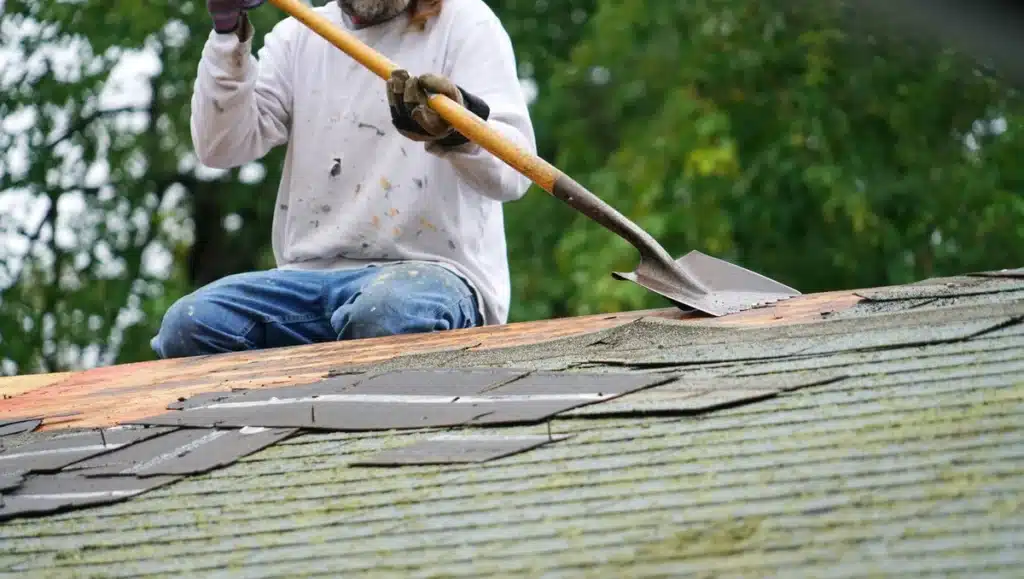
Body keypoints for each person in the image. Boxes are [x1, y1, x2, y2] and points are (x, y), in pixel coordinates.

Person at [150, 0, 535, 358]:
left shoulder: (464, 21)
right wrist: (227, 33)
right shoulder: (299, 37)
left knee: (385, 314)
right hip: (304, 283)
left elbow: (514, 175)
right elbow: (220, 146)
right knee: (190, 325)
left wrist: (455, 130)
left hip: (432, 278)